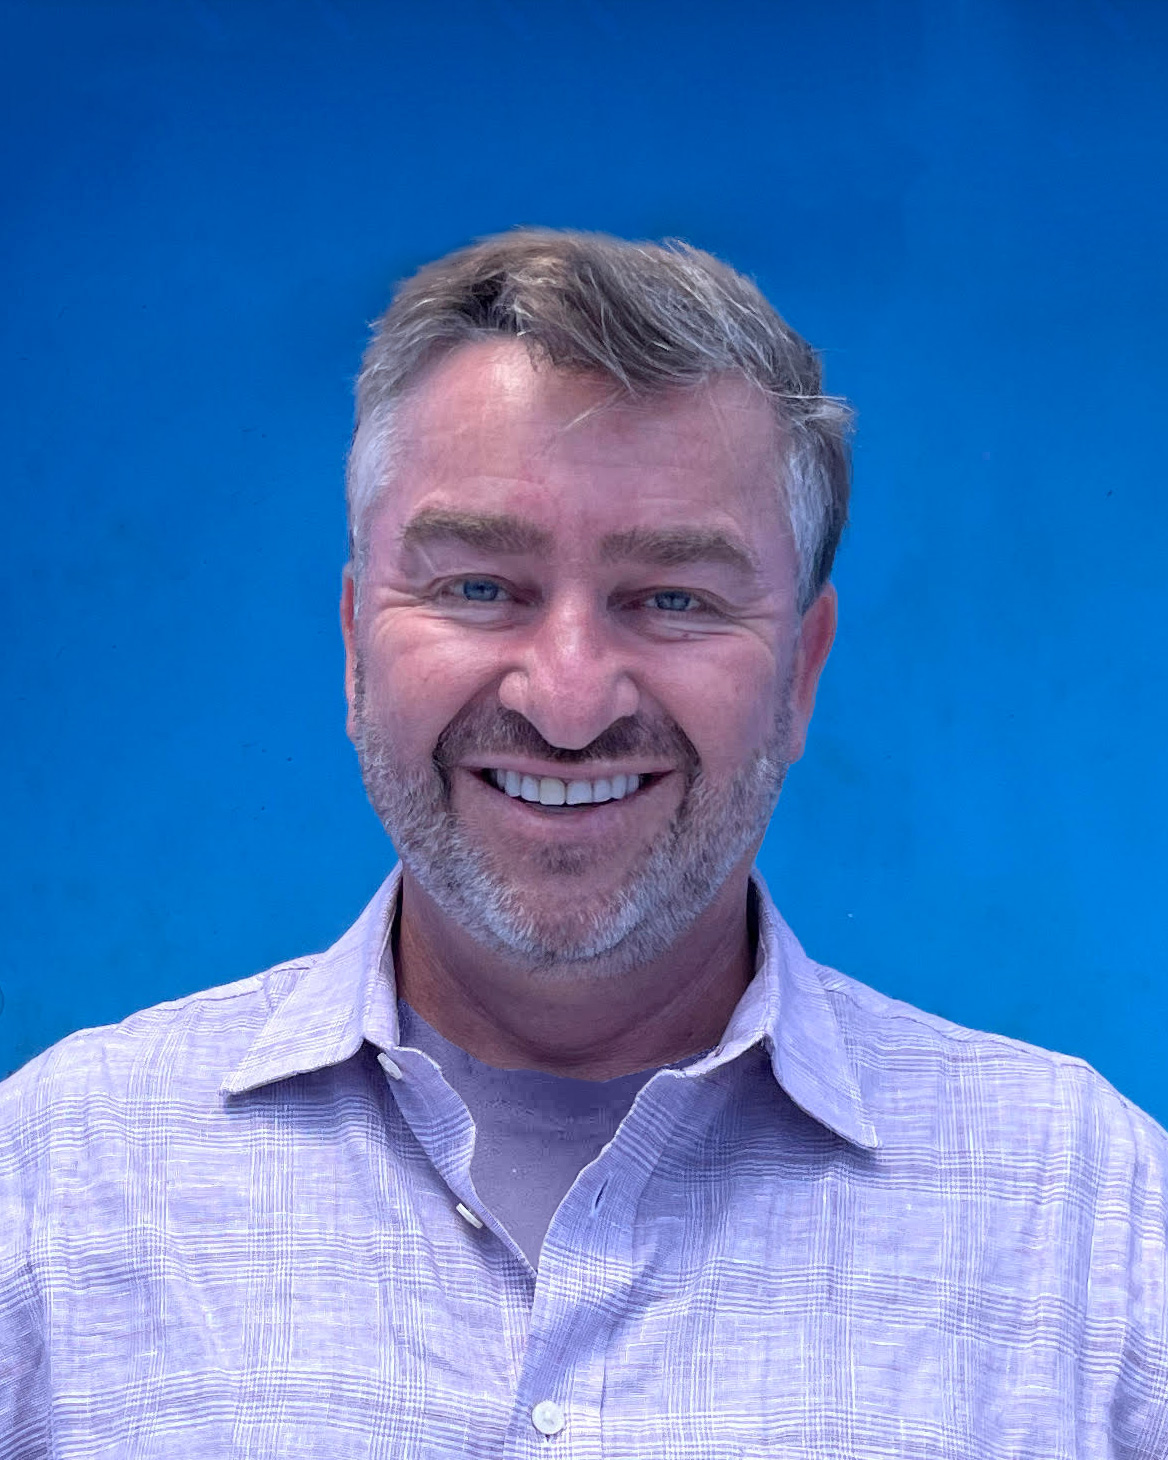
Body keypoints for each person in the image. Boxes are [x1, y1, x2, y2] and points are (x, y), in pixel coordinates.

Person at [1, 229, 1165, 1459]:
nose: (566, 702)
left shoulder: (1093, 1225)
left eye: (673, 598)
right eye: (478, 586)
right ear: (353, 646)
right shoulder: (54, 1187)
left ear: (800, 672)